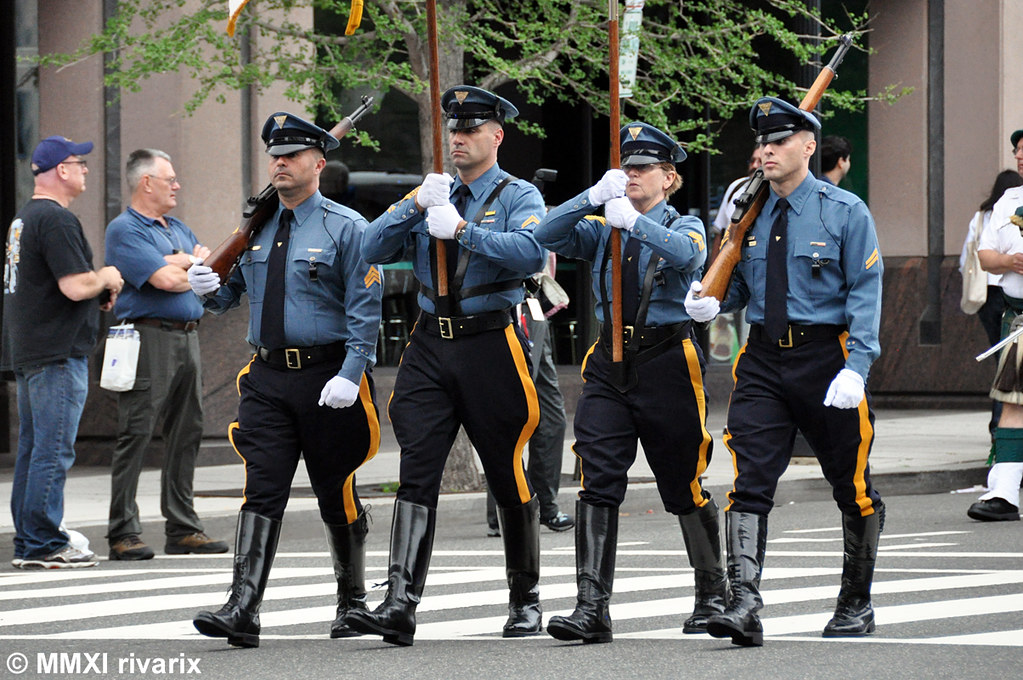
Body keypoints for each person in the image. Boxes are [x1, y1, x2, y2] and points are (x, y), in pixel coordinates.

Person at [685, 97, 885, 646]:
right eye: (762, 143)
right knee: (748, 480)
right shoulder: (751, 212)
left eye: (778, 141)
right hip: (764, 360)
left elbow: (866, 293)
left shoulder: (845, 211)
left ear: (809, 146)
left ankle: (856, 603)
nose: (766, 150)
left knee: (853, 486)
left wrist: (857, 366)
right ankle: (744, 604)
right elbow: (744, 286)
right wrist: (713, 301)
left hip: (827, 359)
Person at [353, 85, 547, 646]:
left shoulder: (518, 194)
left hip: (491, 344)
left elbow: (531, 254)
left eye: (470, 130)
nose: (458, 139)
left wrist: (462, 230)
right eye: (453, 131)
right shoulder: (433, 192)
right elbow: (369, 247)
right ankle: (398, 602)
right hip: (430, 346)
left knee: (506, 470)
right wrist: (415, 204)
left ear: (496, 135)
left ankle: (525, 599)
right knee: (416, 468)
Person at [186, 112, 383, 647]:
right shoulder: (256, 227)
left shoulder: (347, 227)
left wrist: (351, 373)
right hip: (268, 378)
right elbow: (230, 299)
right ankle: (242, 607)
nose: (280, 162)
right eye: (275, 154)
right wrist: (205, 284)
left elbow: (366, 310)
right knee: (262, 486)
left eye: (292, 155)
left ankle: (353, 602)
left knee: (335, 491)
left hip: (327, 378)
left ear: (319, 163)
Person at [534, 122, 719, 644]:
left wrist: (636, 224)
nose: (632, 175)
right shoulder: (602, 227)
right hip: (610, 360)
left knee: (682, 480)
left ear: (668, 177)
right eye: (627, 167)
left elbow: (688, 257)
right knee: (597, 478)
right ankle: (592, 607)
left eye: (643, 168)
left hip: (667, 362)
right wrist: (591, 198)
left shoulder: (686, 225)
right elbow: (544, 234)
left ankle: (711, 592)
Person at [4, 135, 123, 569]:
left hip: (31, 349)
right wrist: (107, 275)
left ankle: (31, 540)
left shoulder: (24, 219)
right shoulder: (56, 219)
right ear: (61, 170)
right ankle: (43, 543)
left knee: (35, 450)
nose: (87, 169)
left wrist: (97, 292)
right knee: (53, 450)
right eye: (80, 162)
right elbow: (74, 285)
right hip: (56, 353)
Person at [104, 149, 228, 561]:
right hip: (147, 338)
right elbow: (164, 280)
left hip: (189, 335)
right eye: (169, 179)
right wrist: (186, 263)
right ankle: (123, 532)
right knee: (136, 432)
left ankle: (183, 528)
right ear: (146, 183)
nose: (176, 185)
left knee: (187, 431)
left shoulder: (175, 226)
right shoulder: (124, 230)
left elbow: (205, 271)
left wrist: (187, 264)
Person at [486, 255, 573, 537]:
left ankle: (545, 505)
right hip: (508, 306)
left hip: (532, 305)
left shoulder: (539, 214)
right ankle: (505, 509)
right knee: (512, 412)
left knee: (551, 420)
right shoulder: (500, 212)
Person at [970, 128, 1023, 522]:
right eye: (1017, 151)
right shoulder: (1009, 200)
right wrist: (1011, 263)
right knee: (1012, 403)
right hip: (1019, 317)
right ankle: (1003, 494)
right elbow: (986, 256)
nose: (1019, 157)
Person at [960, 169, 1023, 441]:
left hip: (989, 294)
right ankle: (1002, 435)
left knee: (1004, 365)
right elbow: (980, 255)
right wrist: (1008, 262)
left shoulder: (981, 215)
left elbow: (966, 259)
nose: (1019, 156)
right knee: (1009, 368)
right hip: (1007, 297)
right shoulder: (1004, 207)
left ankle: (997, 427)